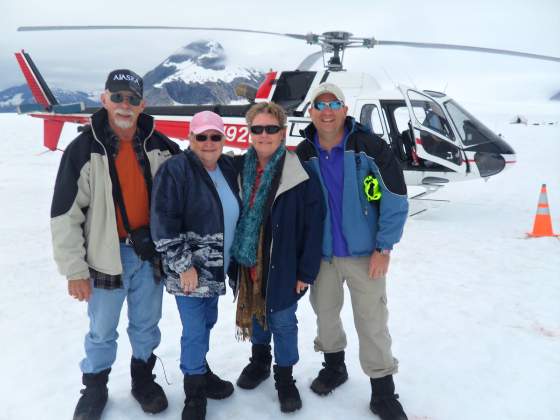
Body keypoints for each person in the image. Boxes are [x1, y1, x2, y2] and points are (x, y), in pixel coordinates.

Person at [50, 69, 180, 420]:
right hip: (105, 255)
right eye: (118, 97)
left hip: (149, 255)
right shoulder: (83, 149)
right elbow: (65, 214)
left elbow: (185, 193)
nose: (125, 104)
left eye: (133, 98)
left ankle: (143, 380)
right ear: (104, 98)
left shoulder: (161, 146)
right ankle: (94, 388)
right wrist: (74, 270)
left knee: (146, 324)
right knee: (102, 329)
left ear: (143, 104)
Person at [295, 83, 409, 420]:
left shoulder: (370, 147)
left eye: (334, 104)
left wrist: (384, 247)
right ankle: (334, 367)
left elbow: (395, 198)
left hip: (364, 254)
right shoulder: (304, 153)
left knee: (372, 320)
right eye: (320, 104)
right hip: (323, 256)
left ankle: (383, 392)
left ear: (345, 109)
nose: (327, 111)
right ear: (311, 112)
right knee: (325, 314)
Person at [230, 102, 325, 413]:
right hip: (250, 263)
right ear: (249, 133)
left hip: (283, 264)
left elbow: (314, 227)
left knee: (282, 322)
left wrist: (306, 272)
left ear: (283, 133)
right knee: (257, 312)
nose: (264, 135)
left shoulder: (301, 173)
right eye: (257, 129)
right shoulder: (241, 169)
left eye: (271, 129)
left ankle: (285, 379)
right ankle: (259, 362)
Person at [150, 111, 240, 420]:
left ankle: (201, 371)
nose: (208, 142)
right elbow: (162, 224)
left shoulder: (227, 166)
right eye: (201, 136)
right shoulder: (176, 170)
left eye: (215, 136)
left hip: (216, 269)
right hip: (190, 272)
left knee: (207, 323)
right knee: (194, 330)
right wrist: (183, 265)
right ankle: (194, 393)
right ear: (190, 138)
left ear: (223, 138)